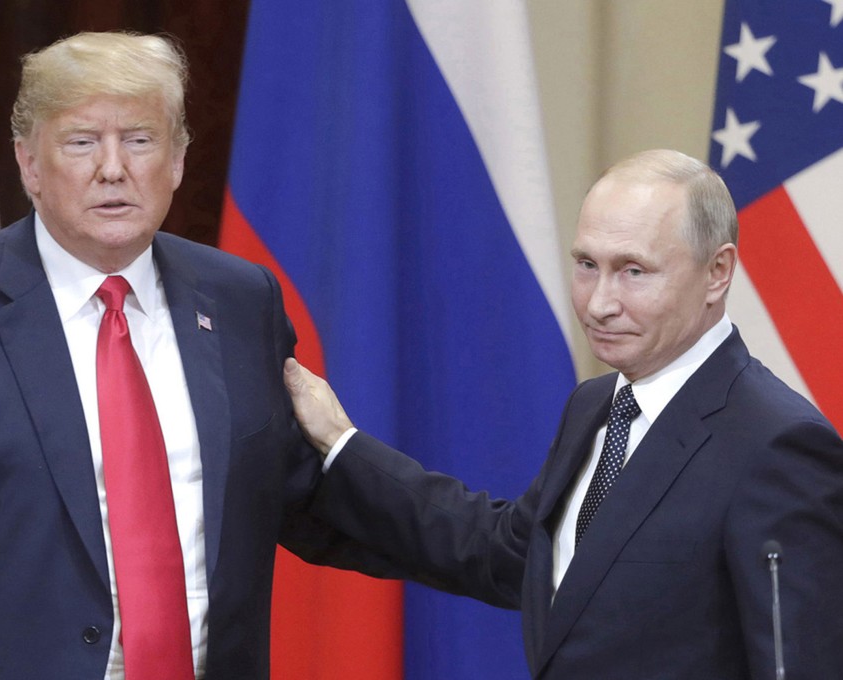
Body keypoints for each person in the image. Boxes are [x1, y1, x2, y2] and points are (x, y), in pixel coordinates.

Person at [0, 31, 337, 679]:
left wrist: (503, 545)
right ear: (29, 163)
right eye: (82, 141)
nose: (113, 167)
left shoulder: (241, 300)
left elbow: (314, 499)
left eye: (141, 140)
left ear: (177, 161)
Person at [283, 149, 843, 678]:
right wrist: (338, 445)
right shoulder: (596, 405)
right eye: (585, 264)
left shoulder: (778, 444)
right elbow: (507, 555)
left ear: (718, 272)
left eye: (634, 271)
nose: (599, 302)